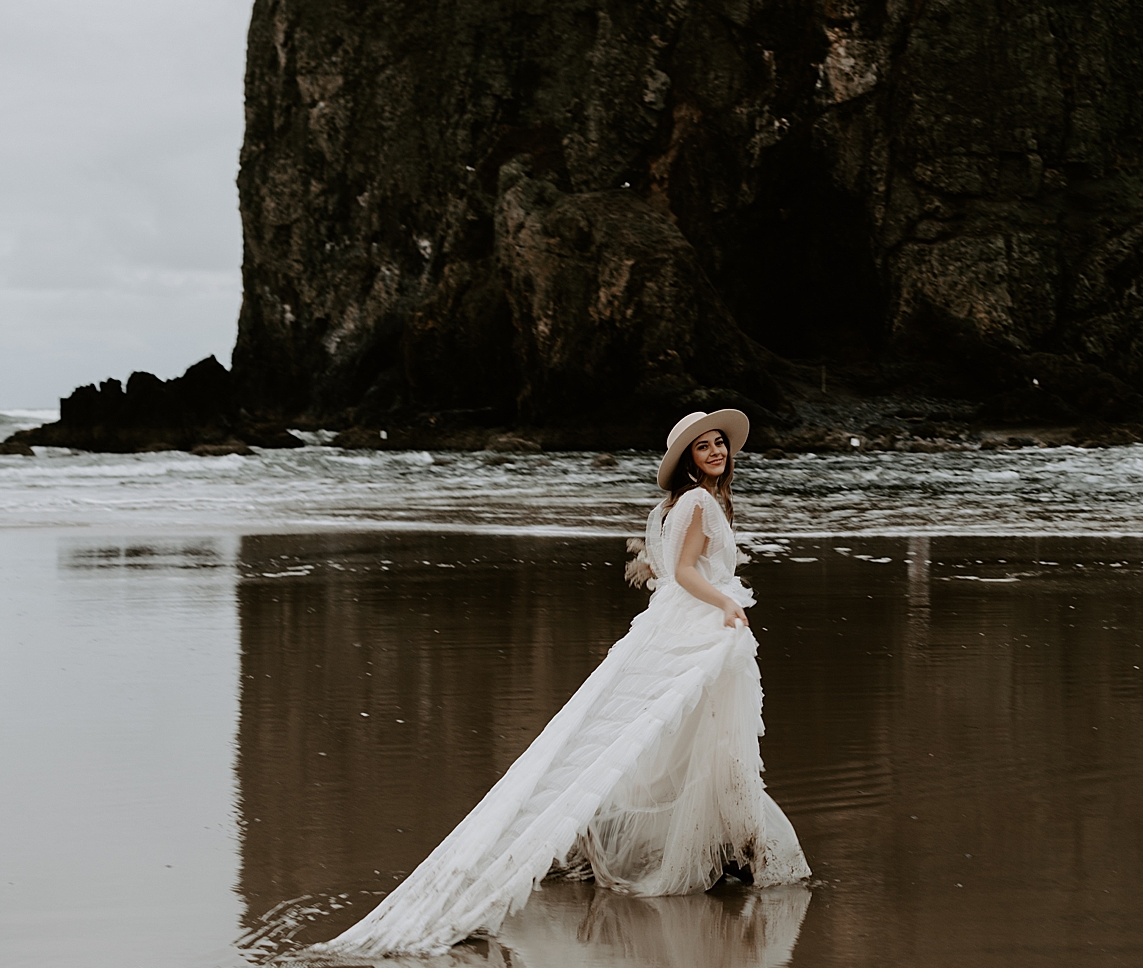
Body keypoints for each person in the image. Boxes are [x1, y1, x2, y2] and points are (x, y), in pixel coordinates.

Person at [307, 409, 809, 960]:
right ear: (687, 459)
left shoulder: (687, 503)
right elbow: (687, 572)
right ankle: (722, 847)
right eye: (703, 446)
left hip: (689, 625)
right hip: (702, 625)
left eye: (720, 444)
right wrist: (726, 603)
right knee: (671, 733)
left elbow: (669, 571)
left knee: (683, 734)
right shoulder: (697, 502)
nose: (715, 451)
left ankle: (723, 844)